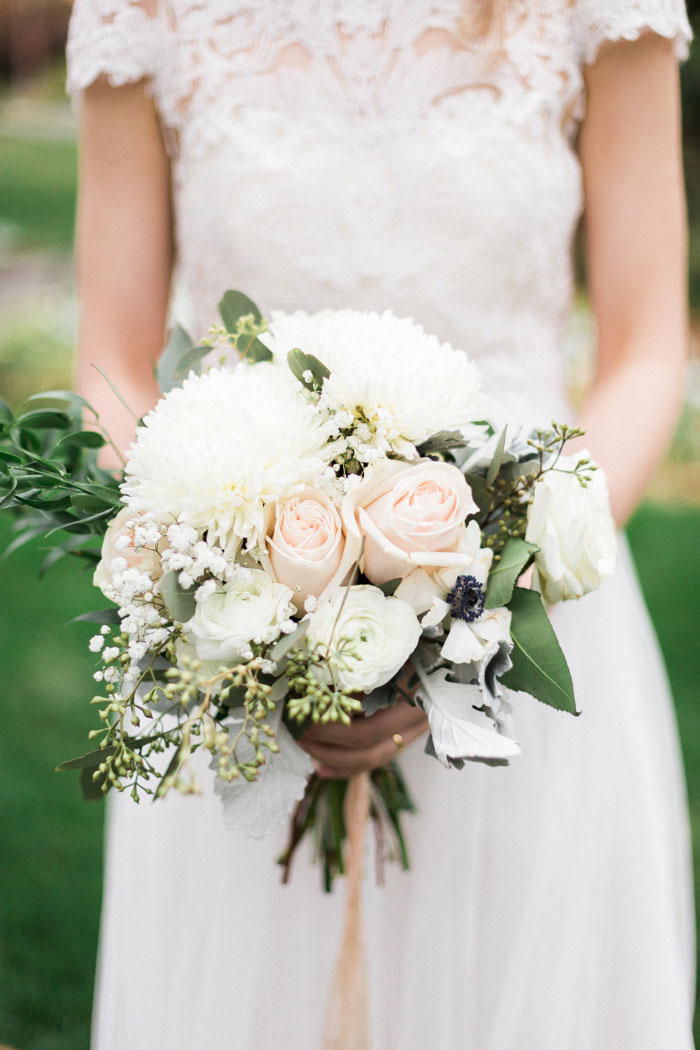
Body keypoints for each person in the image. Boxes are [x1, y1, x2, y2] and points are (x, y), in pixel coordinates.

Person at [66, 1, 696, 1047]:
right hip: (236, 660)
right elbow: (115, 363)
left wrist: (486, 589)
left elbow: (644, 351)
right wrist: (241, 599)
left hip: (531, 626)